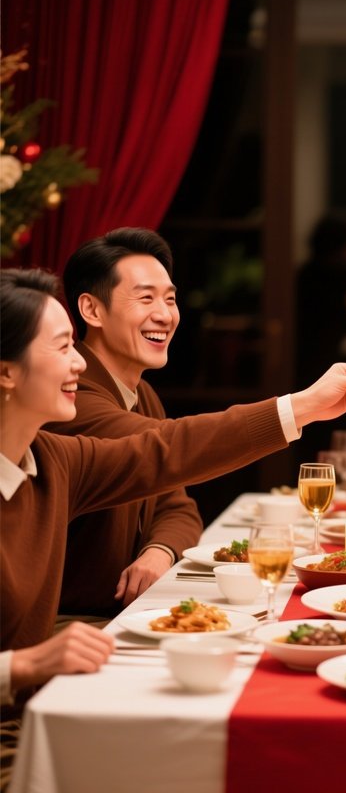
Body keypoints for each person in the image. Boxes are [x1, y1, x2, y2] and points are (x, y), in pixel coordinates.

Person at [0, 268, 346, 778]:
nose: (77, 363)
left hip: (36, 710)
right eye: (62, 347)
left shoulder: (50, 460)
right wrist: (25, 666)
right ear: (6, 372)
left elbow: (169, 454)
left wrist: (306, 407)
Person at [42, 228, 202, 620]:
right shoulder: (68, 397)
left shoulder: (143, 394)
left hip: (126, 614)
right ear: (91, 310)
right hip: (69, 623)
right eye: (146, 298)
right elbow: (173, 448)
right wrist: (296, 410)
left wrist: (159, 551)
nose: (164, 315)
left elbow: (178, 505)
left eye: (170, 298)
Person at [296, 209, 346, 386]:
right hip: (325, 358)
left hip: (309, 357)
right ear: (341, 244)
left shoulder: (306, 272)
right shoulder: (341, 275)